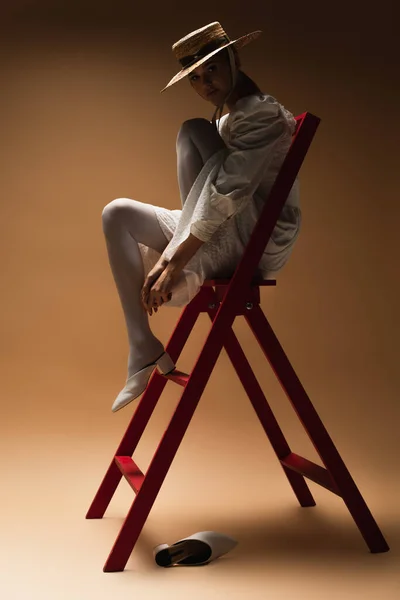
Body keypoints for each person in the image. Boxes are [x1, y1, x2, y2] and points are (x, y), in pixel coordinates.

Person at [102, 22, 301, 412]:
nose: (205, 82)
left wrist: (176, 258)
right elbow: (211, 195)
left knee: (192, 129)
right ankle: (142, 344)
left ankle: (185, 256)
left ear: (233, 59)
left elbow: (231, 192)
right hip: (218, 227)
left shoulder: (262, 114)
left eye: (211, 68)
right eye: (194, 77)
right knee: (117, 213)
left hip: (254, 238)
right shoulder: (228, 122)